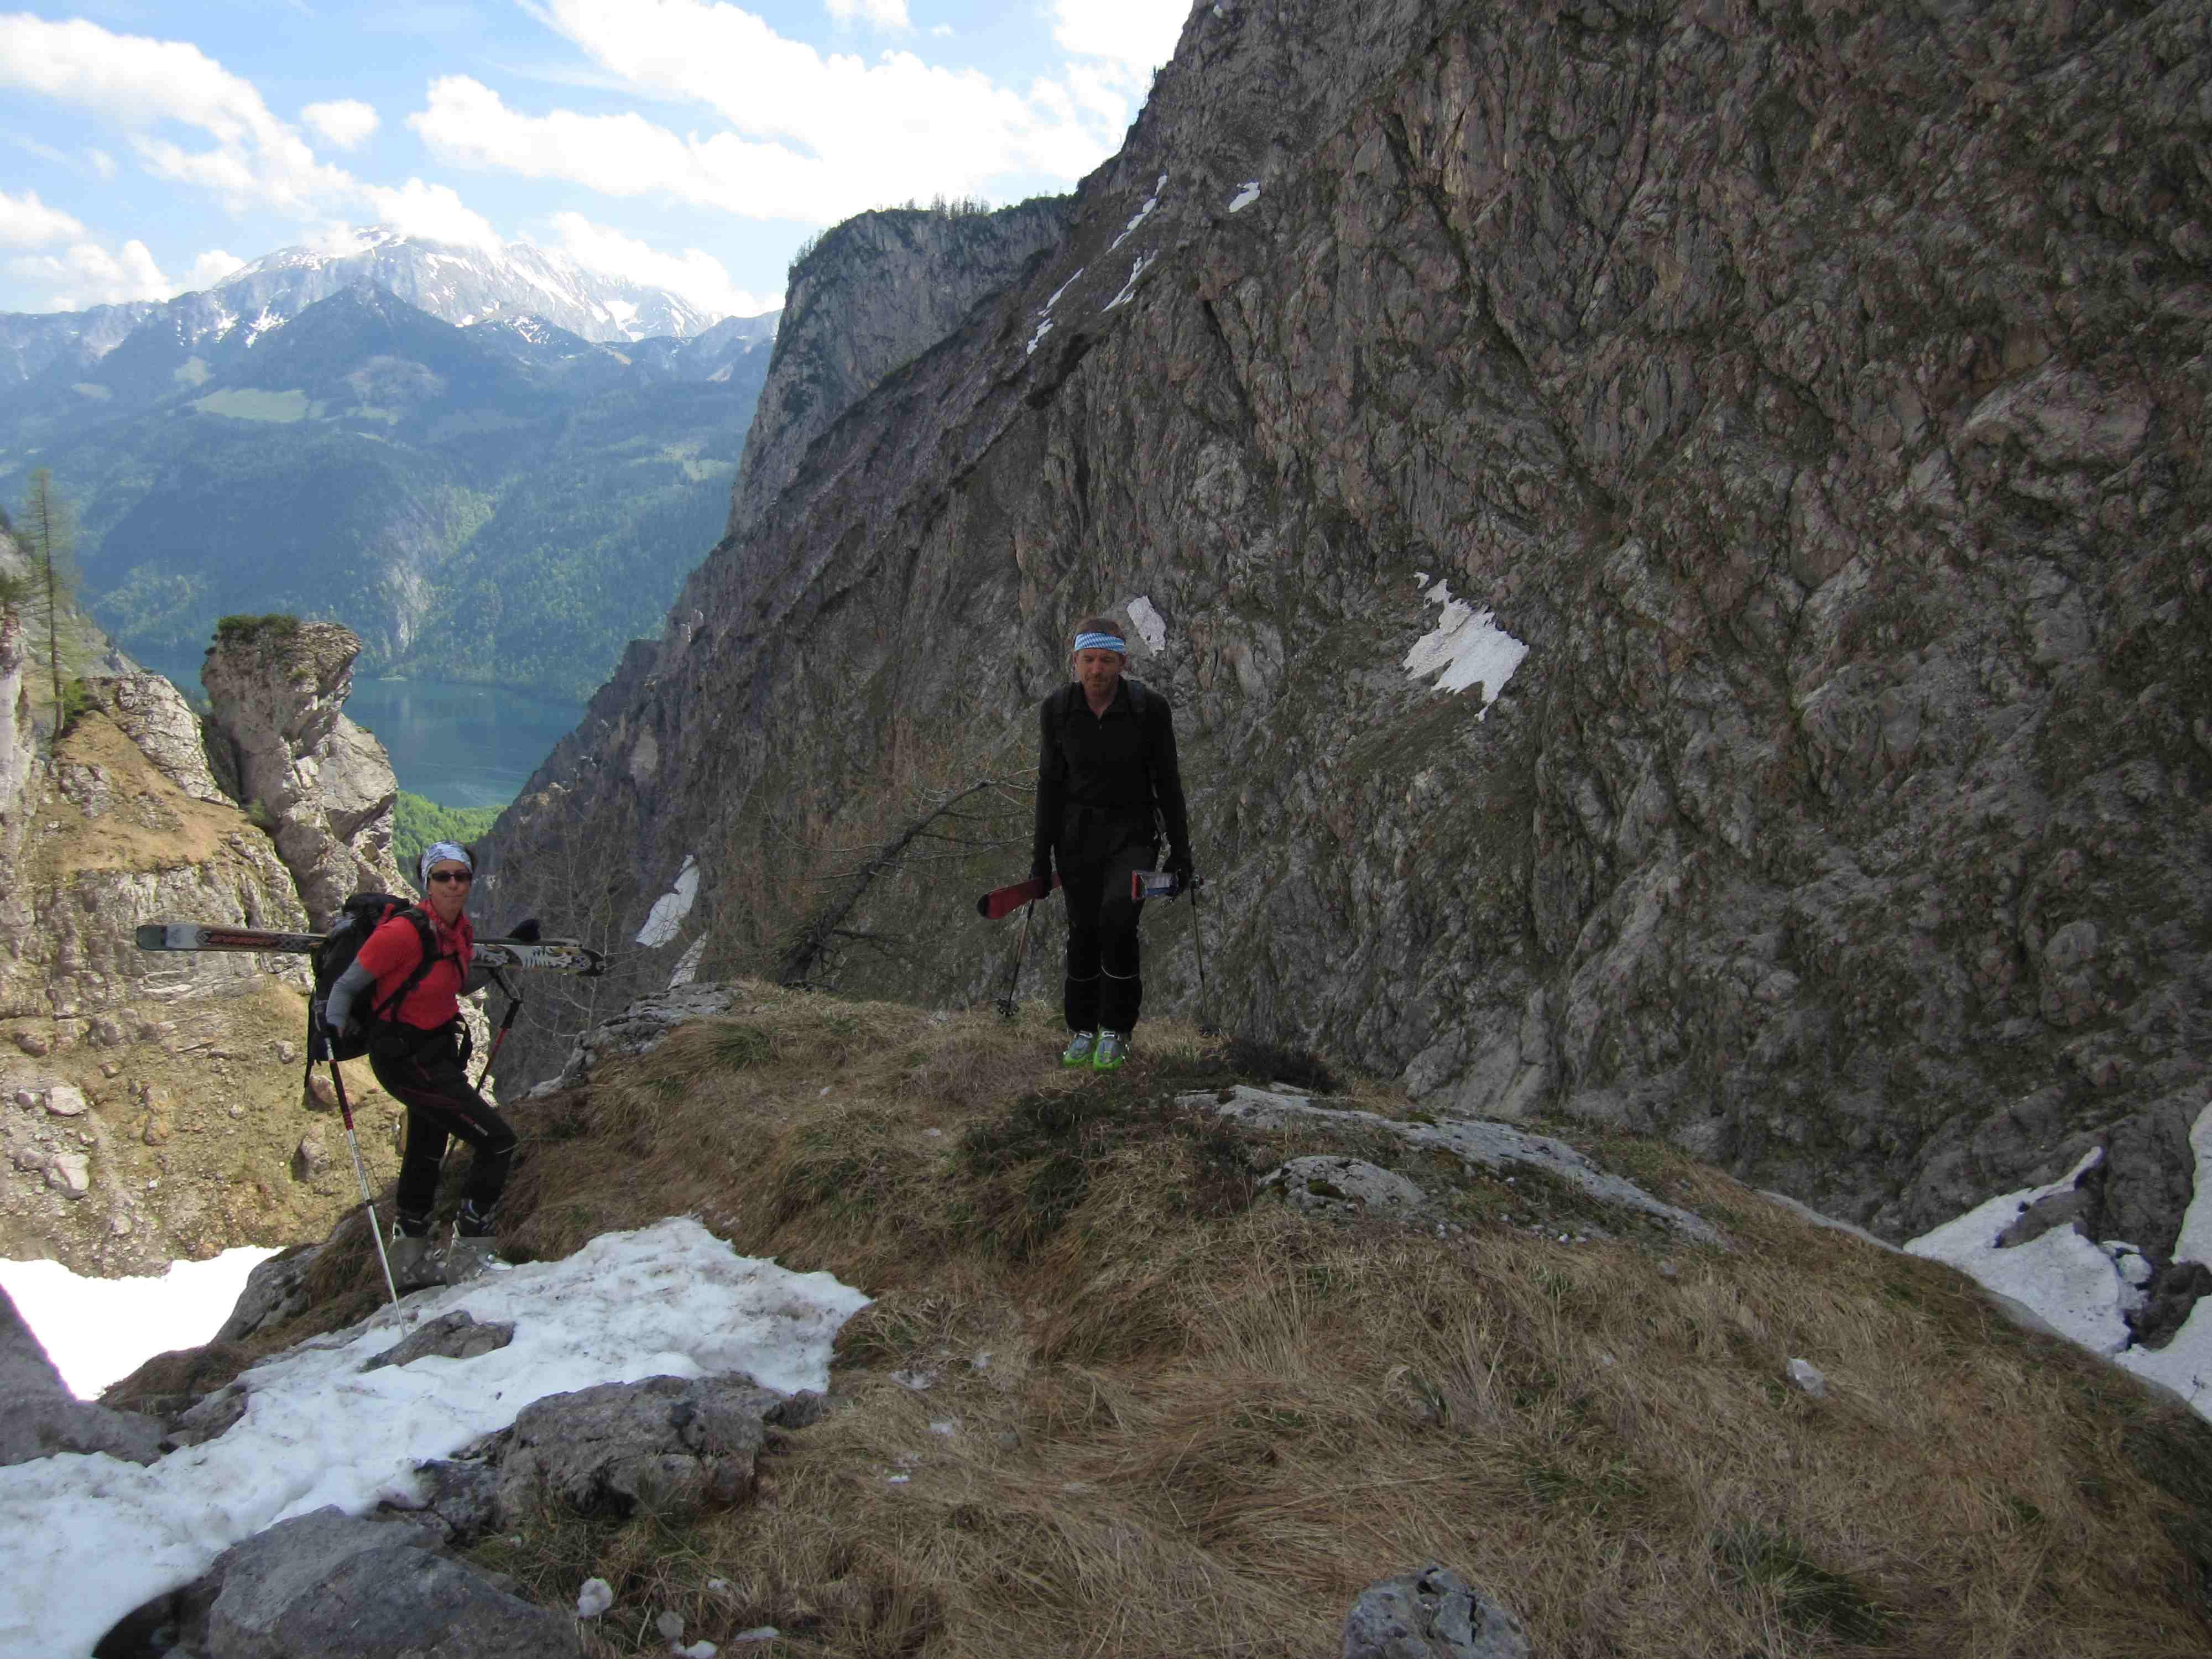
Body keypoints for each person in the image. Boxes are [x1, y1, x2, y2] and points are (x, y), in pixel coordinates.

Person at [321, 842, 516, 1285]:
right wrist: (333, 1027)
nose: (453, 884)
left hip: (435, 1053)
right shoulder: (403, 933)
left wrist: (508, 955)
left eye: (461, 876)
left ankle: (410, 1264)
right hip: (404, 1057)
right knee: (498, 1141)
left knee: (427, 1148)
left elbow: (452, 982)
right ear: (427, 882)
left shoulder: (459, 929)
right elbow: (347, 986)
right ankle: (469, 1255)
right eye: (442, 876)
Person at [1031, 616, 1196, 1071]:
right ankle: (1082, 1029)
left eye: (1106, 660)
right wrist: (1040, 860)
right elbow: (1049, 786)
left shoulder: (1149, 709)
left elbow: (1168, 783)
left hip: (1134, 833)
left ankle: (1116, 1029)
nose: (1097, 669)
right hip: (1076, 836)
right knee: (1083, 929)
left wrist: (1181, 852)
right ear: (1075, 661)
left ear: (1123, 663)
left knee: (1118, 920)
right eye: (1089, 660)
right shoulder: (1057, 710)